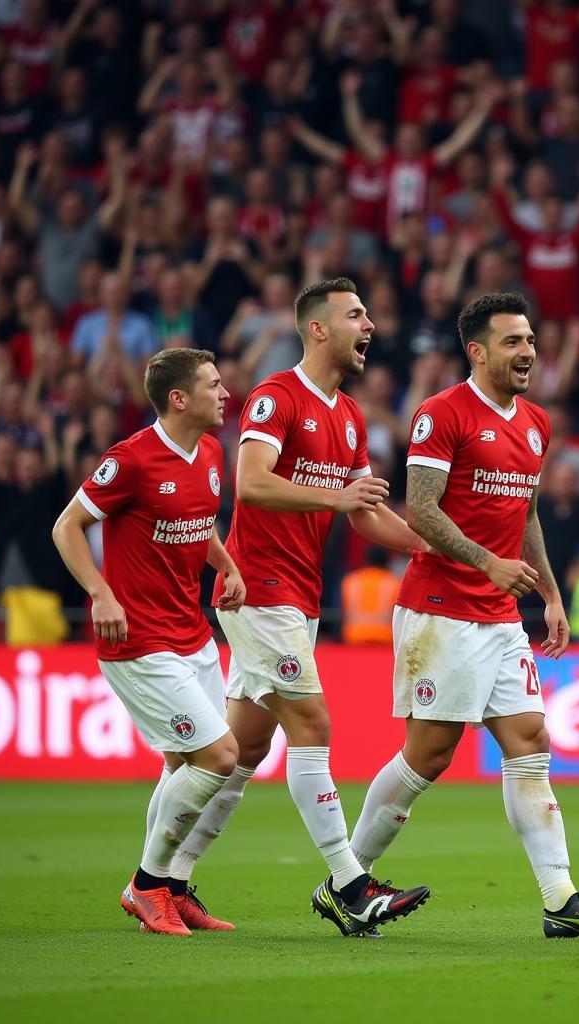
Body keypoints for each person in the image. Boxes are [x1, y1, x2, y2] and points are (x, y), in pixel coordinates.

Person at [347, 292, 579, 938]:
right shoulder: (441, 415)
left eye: (531, 340)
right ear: (477, 351)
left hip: (501, 612)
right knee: (429, 755)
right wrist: (488, 563)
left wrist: (553, 596)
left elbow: (527, 513)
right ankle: (350, 879)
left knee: (531, 741)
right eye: (513, 342)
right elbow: (421, 510)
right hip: (440, 610)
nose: (529, 352)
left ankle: (561, 899)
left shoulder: (536, 422)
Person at [168, 279, 431, 938]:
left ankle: (164, 884)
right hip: (258, 588)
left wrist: (436, 547)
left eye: (368, 314)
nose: (369, 324)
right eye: (355, 315)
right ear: (317, 329)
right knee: (312, 727)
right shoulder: (275, 397)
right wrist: (339, 500)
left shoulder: (347, 415)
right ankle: (349, 885)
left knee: (238, 753)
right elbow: (252, 483)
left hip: (299, 596)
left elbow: (365, 513)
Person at [51, 348, 246, 935]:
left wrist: (226, 565)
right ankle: (146, 884)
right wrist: (99, 592)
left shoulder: (210, 452)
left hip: (192, 632)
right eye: (214, 385)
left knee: (187, 764)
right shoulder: (130, 459)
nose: (225, 393)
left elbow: (197, 523)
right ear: (179, 398)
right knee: (221, 758)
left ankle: (170, 889)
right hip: (138, 640)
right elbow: (67, 526)